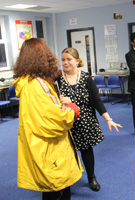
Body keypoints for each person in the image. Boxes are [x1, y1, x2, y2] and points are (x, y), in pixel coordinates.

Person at [12, 38, 83, 200]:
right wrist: (72, 109)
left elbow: (45, 111)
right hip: (51, 150)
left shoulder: (27, 83)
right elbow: (55, 120)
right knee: (58, 192)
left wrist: (59, 103)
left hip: (39, 146)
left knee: (51, 192)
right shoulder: (37, 85)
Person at [56, 47, 122, 192]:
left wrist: (108, 119)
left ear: (77, 61)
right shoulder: (57, 79)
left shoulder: (86, 78)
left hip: (85, 121)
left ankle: (91, 177)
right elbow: (51, 102)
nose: (65, 63)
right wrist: (60, 102)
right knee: (66, 152)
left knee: (86, 151)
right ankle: (67, 179)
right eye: (63, 60)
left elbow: (97, 101)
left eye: (69, 59)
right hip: (66, 122)